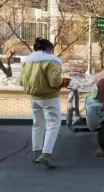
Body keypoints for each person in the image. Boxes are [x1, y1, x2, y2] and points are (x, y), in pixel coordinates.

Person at [19, 38, 70, 168]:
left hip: (34, 98)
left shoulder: (27, 62)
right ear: (48, 49)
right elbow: (55, 82)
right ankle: (46, 154)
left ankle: (37, 153)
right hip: (49, 98)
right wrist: (63, 81)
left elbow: (20, 81)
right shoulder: (52, 62)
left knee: (37, 124)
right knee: (53, 124)